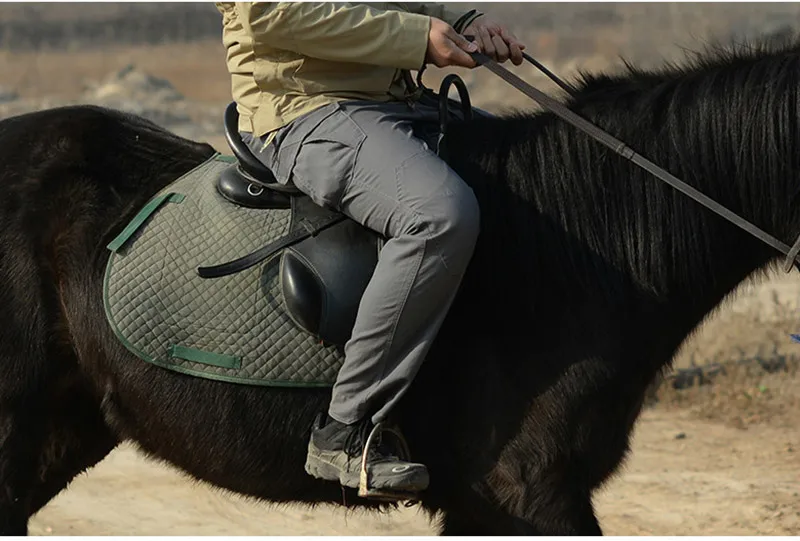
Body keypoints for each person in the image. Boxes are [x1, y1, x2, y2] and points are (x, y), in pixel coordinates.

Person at [216, 2, 525, 498]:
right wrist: (418, 37)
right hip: (304, 108)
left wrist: (463, 22)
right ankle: (345, 429)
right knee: (439, 215)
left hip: (395, 99)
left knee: (530, 165)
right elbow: (273, 15)